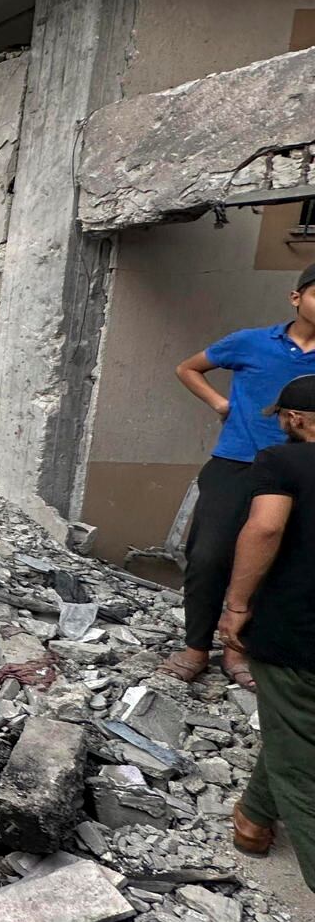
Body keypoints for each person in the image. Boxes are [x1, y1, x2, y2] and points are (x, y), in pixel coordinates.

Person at [170, 264, 315, 688]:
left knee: (276, 561)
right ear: (295, 298)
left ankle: (238, 652)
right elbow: (188, 368)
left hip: (299, 471)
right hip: (237, 462)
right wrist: (220, 404)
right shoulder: (250, 342)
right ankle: (196, 647)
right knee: (208, 554)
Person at [215, 373, 315, 922]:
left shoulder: (283, 461)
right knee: (291, 725)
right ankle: (253, 822)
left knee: (301, 763)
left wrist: (236, 605)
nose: (279, 422)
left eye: (284, 415)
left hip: (297, 633)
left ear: (297, 420)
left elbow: (266, 526)